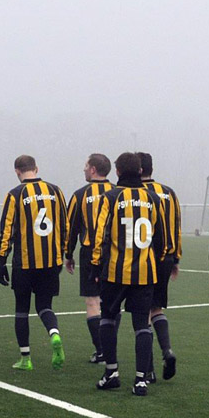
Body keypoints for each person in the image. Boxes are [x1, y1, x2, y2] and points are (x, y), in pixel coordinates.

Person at [91, 152, 166, 396]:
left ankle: (111, 373)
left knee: (108, 318)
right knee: (142, 325)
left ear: (118, 172)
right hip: (145, 272)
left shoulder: (110, 197)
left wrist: (96, 265)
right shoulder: (154, 198)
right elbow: (162, 239)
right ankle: (141, 380)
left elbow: (99, 235)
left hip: (115, 272)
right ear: (141, 171)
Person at [0, 155, 68, 371]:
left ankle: (26, 359)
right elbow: (65, 224)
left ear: (17, 171)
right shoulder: (56, 191)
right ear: (36, 168)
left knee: (22, 309)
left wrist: (2, 261)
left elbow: (7, 230)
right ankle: (54, 334)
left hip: (25, 263)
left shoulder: (15, 194)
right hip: (51, 261)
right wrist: (62, 254)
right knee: (45, 306)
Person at [64, 153, 114, 364]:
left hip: (89, 253)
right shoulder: (118, 192)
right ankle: (110, 348)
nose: (83, 169)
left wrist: (68, 254)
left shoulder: (80, 195)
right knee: (111, 302)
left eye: (86, 165)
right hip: (114, 254)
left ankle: (101, 351)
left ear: (93, 169)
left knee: (92, 302)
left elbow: (70, 229)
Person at [138, 152, 180, 382]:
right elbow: (176, 225)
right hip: (167, 258)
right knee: (156, 308)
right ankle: (167, 350)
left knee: (142, 312)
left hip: (143, 258)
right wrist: (176, 258)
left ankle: (148, 368)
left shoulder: (135, 193)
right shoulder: (169, 192)